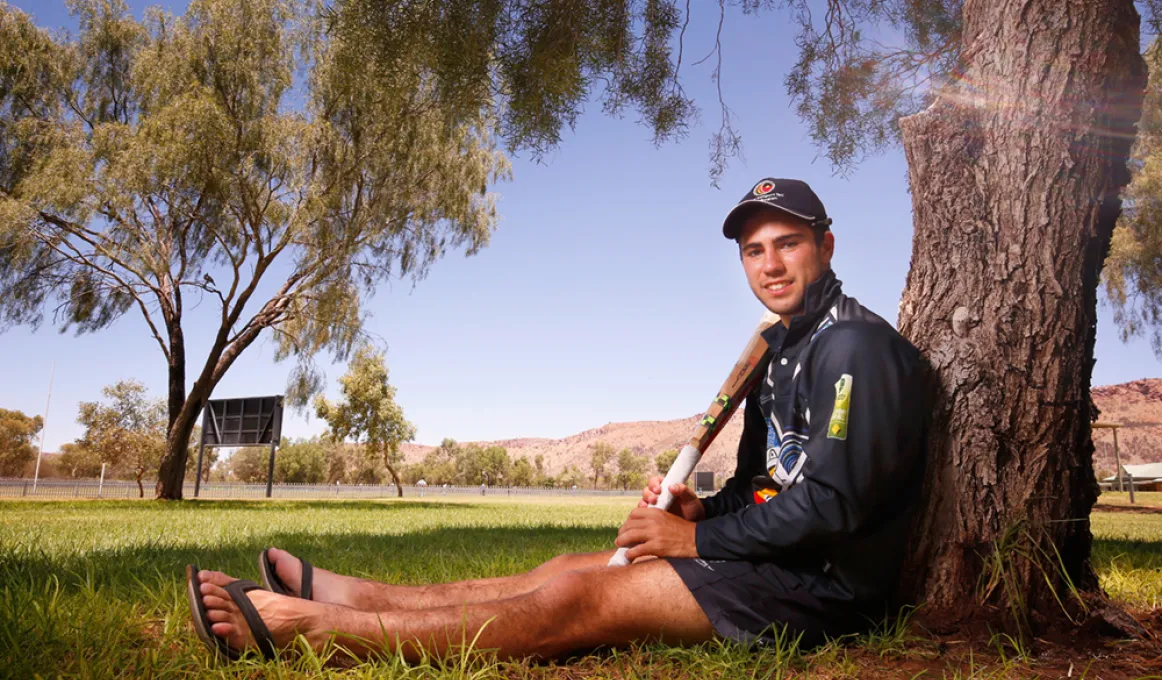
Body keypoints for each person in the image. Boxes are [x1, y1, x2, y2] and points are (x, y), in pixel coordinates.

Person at [186, 177, 927, 663]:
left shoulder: (855, 346)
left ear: (825, 246)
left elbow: (833, 506)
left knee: (580, 598)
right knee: (560, 569)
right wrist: (703, 506)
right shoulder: (782, 348)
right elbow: (763, 488)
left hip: (819, 592)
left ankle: (318, 631)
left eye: (788, 244)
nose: (770, 264)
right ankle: (359, 597)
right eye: (753, 250)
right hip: (774, 561)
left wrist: (694, 537)